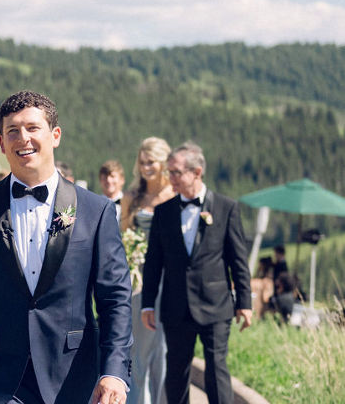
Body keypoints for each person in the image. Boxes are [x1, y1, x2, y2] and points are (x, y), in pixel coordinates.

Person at [0, 90, 133, 404]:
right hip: (2, 375)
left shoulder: (96, 211)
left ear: (55, 135)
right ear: (2, 143)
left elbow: (115, 298)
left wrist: (114, 372)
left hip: (73, 373)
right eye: (12, 131)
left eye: (32, 128)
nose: (23, 138)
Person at [141, 142, 252, 404]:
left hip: (216, 305)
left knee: (217, 368)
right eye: (169, 172)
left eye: (176, 172)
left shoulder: (226, 208)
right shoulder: (163, 212)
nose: (171, 178)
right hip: (176, 305)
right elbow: (154, 261)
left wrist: (245, 303)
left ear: (197, 172)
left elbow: (238, 260)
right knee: (177, 371)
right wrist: (147, 304)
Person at [118, 137, 175, 404]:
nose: (145, 168)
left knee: (165, 349)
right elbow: (122, 237)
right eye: (142, 162)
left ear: (164, 163)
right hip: (139, 279)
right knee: (139, 348)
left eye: (151, 162)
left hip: (170, 279)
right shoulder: (132, 198)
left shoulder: (176, 195)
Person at [99, 160, 125, 226]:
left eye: (112, 176)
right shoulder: (94, 205)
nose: (108, 180)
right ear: (100, 181)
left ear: (122, 180)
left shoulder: (131, 203)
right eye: (105, 177)